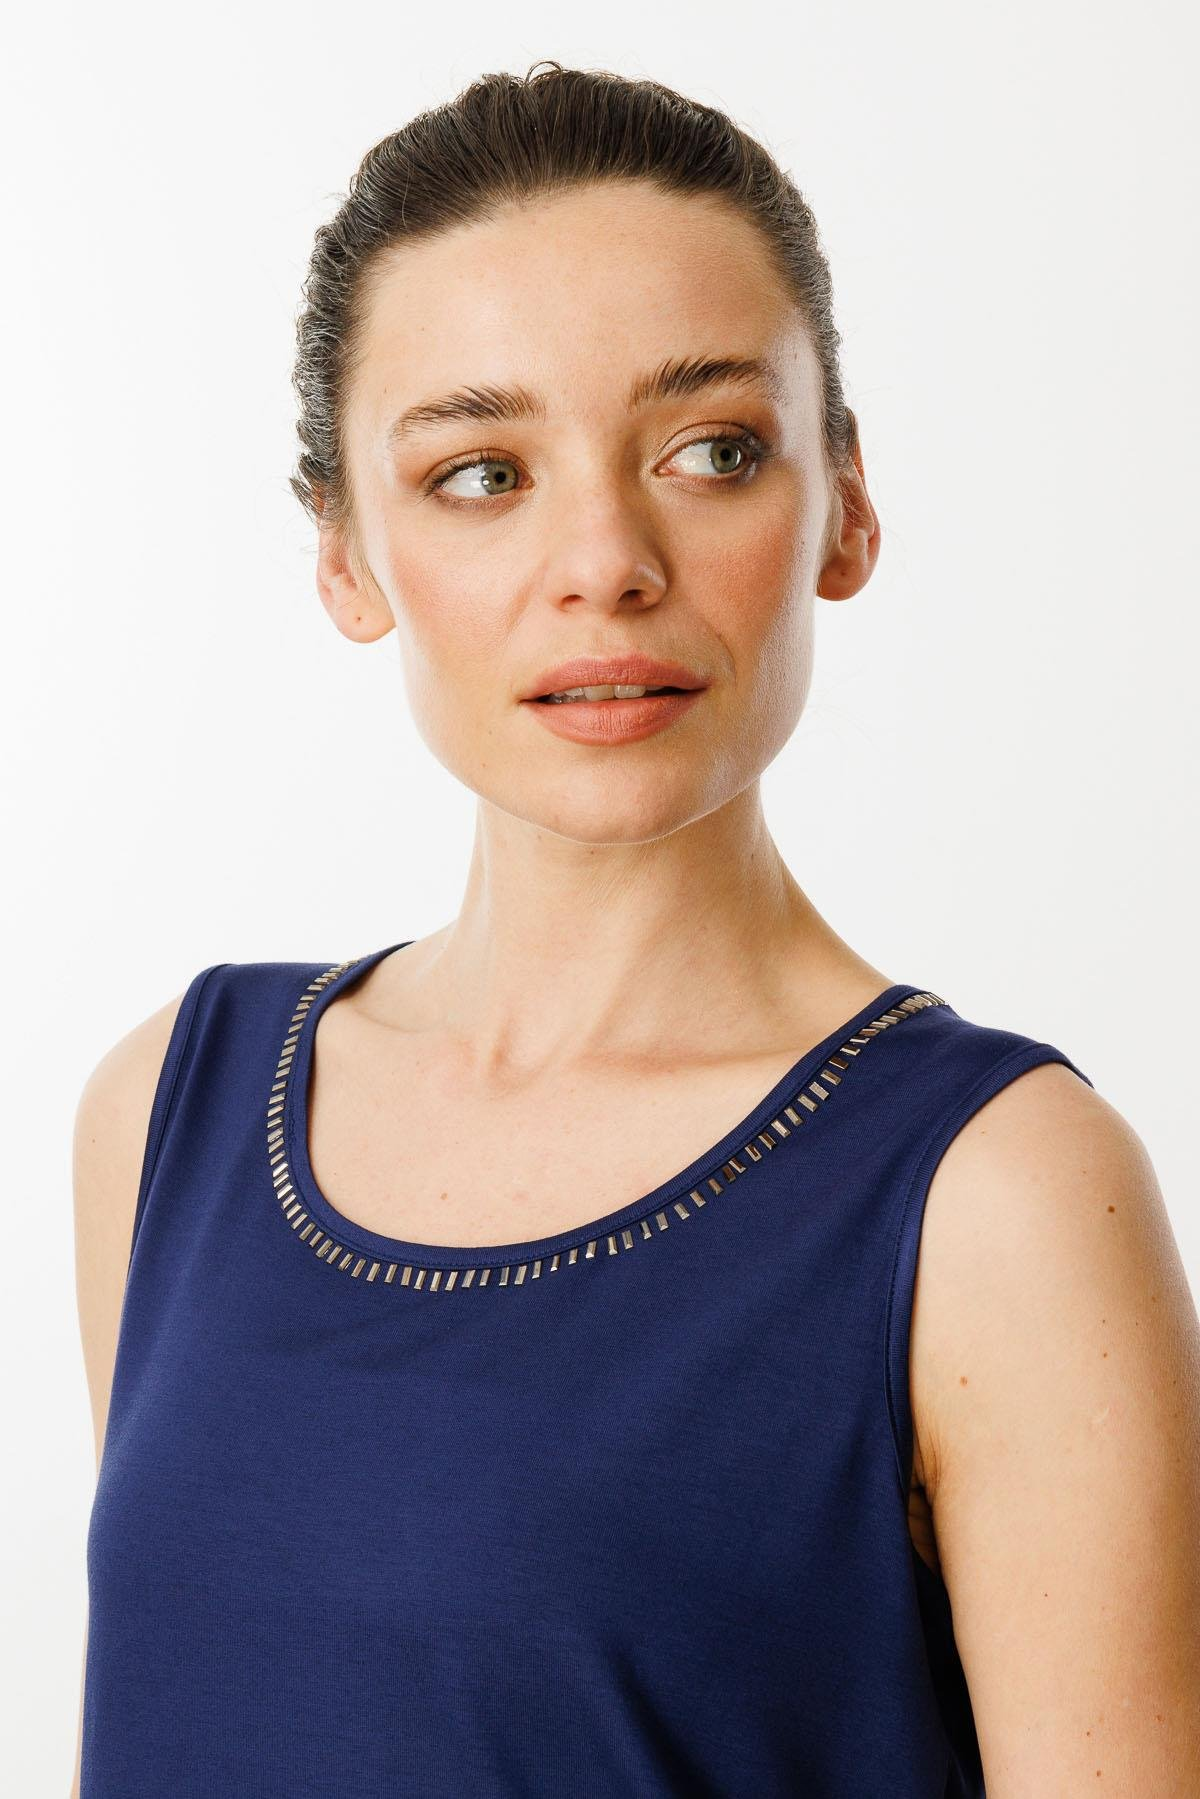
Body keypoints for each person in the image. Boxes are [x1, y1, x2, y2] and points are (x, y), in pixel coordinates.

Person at [71, 60, 1200, 1798]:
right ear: (345, 553)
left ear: (845, 503)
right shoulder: (172, 1110)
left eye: (711, 451)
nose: (604, 558)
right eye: (479, 472)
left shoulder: (998, 1194)